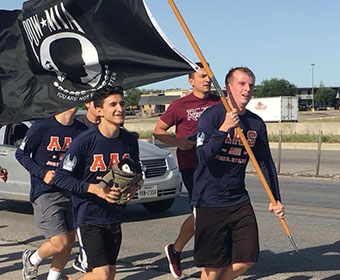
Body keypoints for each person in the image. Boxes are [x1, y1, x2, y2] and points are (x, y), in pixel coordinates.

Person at [191, 67, 285, 280]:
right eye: (241, 84)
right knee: (213, 267)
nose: (247, 89)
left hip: (238, 199)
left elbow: (265, 163)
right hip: (209, 200)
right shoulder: (211, 116)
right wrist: (224, 128)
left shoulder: (256, 123)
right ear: (228, 87)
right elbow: (203, 156)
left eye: (250, 85)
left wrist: (275, 198)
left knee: (247, 258)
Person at [54, 87, 142, 280]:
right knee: (101, 275)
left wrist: (134, 186)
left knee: (109, 274)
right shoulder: (84, 141)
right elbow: (60, 177)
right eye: (113, 104)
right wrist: (95, 189)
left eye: (122, 103)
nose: (120, 108)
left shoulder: (128, 140)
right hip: (88, 217)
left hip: (114, 216)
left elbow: (136, 172)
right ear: (99, 110)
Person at [153, 62, 221, 278]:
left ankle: (176, 250)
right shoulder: (180, 105)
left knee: (211, 212)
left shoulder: (219, 102)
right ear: (191, 80)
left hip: (217, 164)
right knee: (201, 212)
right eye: (202, 76)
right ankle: (200, 258)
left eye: (209, 75)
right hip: (193, 165)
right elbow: (158, 131)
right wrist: (179, 142)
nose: (207, 79)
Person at [15, 107, 87, 280]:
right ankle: (32, 259)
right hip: (45, 192)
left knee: (69, 241)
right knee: (60, 242)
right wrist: (42, 173)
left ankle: (53, 278)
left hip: (70, 191)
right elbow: (21, 154)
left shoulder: (81, 131)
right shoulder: (41, 126)